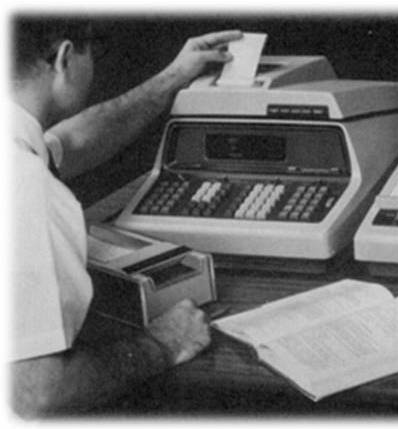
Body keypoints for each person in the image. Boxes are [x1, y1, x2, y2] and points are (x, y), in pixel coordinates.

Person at [10, 17, 242, 416]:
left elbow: (70, 142)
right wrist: (162, 344)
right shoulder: (28, 186)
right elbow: (37, 394)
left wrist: (171, 78)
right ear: (65, 58)